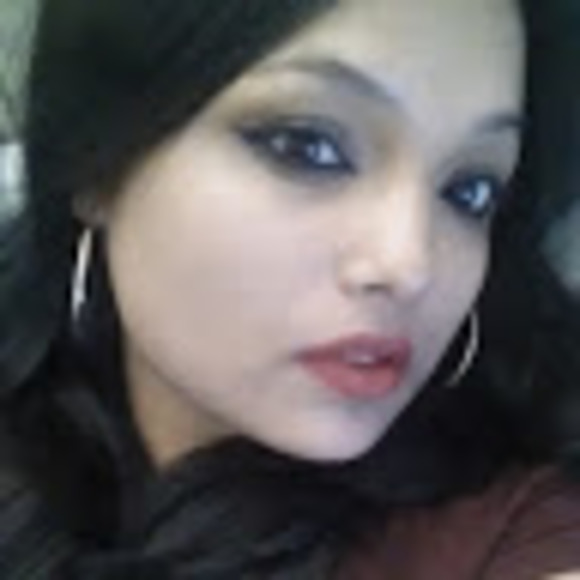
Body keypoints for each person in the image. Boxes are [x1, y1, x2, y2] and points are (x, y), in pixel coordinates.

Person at [1, 0, 580, 578]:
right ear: (97, 167)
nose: (410, 266)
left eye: (469, 191)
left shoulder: (516, 531)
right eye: (308, 146)